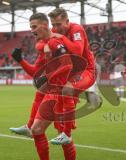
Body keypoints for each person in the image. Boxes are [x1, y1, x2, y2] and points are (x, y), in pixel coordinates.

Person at [11, 13, 77, 160]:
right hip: (53, 91)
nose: (32, 30)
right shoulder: (44, 45)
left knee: (57, 135)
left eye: (34, 27)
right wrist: (20, 60)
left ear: (44, 25)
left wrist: (49, 77)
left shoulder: (55, 42)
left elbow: (68, 65)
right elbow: (35, 71)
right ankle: (29, 126)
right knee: (39, 130)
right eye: (30, 27)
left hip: (63, 92)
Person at [47, 8, 96, 144]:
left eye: (58, 24)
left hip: (87, 70)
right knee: (57, 107)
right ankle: (35, 126)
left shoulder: (76, 29)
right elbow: (47, 45)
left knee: (67, 89)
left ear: (67, 21)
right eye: (53, 24)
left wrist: (61, 38)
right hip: (71, 73)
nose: (55, 28)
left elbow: (78, 51)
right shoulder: (55, 32)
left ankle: (67, 134)